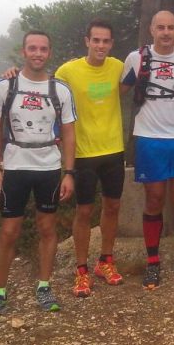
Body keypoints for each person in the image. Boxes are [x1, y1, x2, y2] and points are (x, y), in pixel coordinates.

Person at [0, 31, 77, 321]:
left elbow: (69, 134)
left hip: (49, 167)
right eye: (32, 48)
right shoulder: (5, 86)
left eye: (43, 49)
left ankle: (44, 286)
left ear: (49, 52)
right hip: (15, 165)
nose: (38, 53)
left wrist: (69, 173)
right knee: (8, 231)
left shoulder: (61, 90)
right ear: (23, 51)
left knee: (48, 228)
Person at [121, 10, 174, 289]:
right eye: (161, 27)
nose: (166, 32)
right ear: (151, 29)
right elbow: (116, 88)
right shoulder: (136, 58)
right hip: (148, 137)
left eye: (171, 27)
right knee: (155, 199)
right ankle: (153, 262)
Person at [55, 18, 126, 297]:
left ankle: (105, 261)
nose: (100, 45)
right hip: (83, 152)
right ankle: (81, 270)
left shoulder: (119, 67)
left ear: (111, 43)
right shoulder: (68, 70)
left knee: (113, 206)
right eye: (95, 40)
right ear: (87, 41)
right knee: (84, 211)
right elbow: (44, 92)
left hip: (113, 148)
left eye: (105, 41)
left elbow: (146, 69)